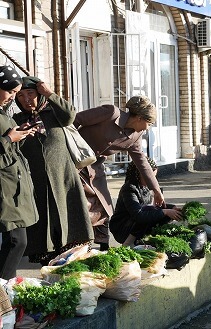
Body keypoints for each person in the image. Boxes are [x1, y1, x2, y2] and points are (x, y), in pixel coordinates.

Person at [13, 76, 94, 264]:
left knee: (69, 220)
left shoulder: (54, 113)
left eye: (31, 94)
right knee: (44, 226)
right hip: (37, 182)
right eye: (21, 96)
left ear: (39, 94)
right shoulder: (17, 120)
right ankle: (48, 260)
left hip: (64, 177)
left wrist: (49, 93)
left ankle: (70, 258)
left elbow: (70, 115)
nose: (26, 100)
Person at [74, 95, 163, 250]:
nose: (148, 128)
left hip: (94, 167)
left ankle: (102, 246)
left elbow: (141, 162)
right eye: (149, 123)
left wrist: (156, 190)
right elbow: (76, 120)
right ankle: (77, 244)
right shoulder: (111, 113)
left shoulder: (135, 135)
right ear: (139, 118)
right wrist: (70, 143)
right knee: (81, 204)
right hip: (73, 161)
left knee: (104, 205)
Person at [0, 66, 39, 279]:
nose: (13, 98)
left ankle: (6, 294)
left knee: (16, 241)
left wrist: (19, 135)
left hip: (12, 185)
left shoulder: (3, 112)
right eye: (11, 92)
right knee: (17, 241)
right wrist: (9, 139)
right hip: (5, 188)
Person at [110, 159, 183, 246]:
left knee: (163, 214)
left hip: (135, 222)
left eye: (154, 177)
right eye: (150, 177)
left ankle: (146, 239)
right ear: (138, 173)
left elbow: (155, 207)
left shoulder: (146, 187)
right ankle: (129, 243)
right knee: (152, 212)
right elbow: (139, 215)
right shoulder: (129, 188)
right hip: (123, 228)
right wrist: (165, 211)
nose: (152, 181)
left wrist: (172, 208)